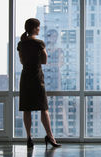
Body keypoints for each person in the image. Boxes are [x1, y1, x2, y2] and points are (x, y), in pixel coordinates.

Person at [17, 18, 61, 148]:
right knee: (43, 108)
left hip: (25, 78)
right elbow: (45, 60)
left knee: (26, 109)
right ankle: (50, 136)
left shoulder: (21, 44)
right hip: (36, 78)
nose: (39, 29)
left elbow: (21, 61)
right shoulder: (39, 43)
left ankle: (29, 137)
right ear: (34, 28)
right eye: (38, 27)